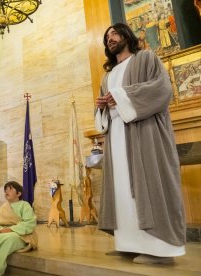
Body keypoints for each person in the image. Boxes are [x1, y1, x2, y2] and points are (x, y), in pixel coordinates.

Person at [95, 23, 186, 264]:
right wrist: (103, 106)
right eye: (106, 37)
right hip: (116, 137)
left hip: (143, 134)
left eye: (114, 33)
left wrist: (122, 96)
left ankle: (162, 250)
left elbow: (162, 88)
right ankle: (129, 243)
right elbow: (106, 113)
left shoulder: (145, 58)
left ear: (126, 35)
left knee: (148, 185)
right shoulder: (108, 75)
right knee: (123, 190)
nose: (109, 38)